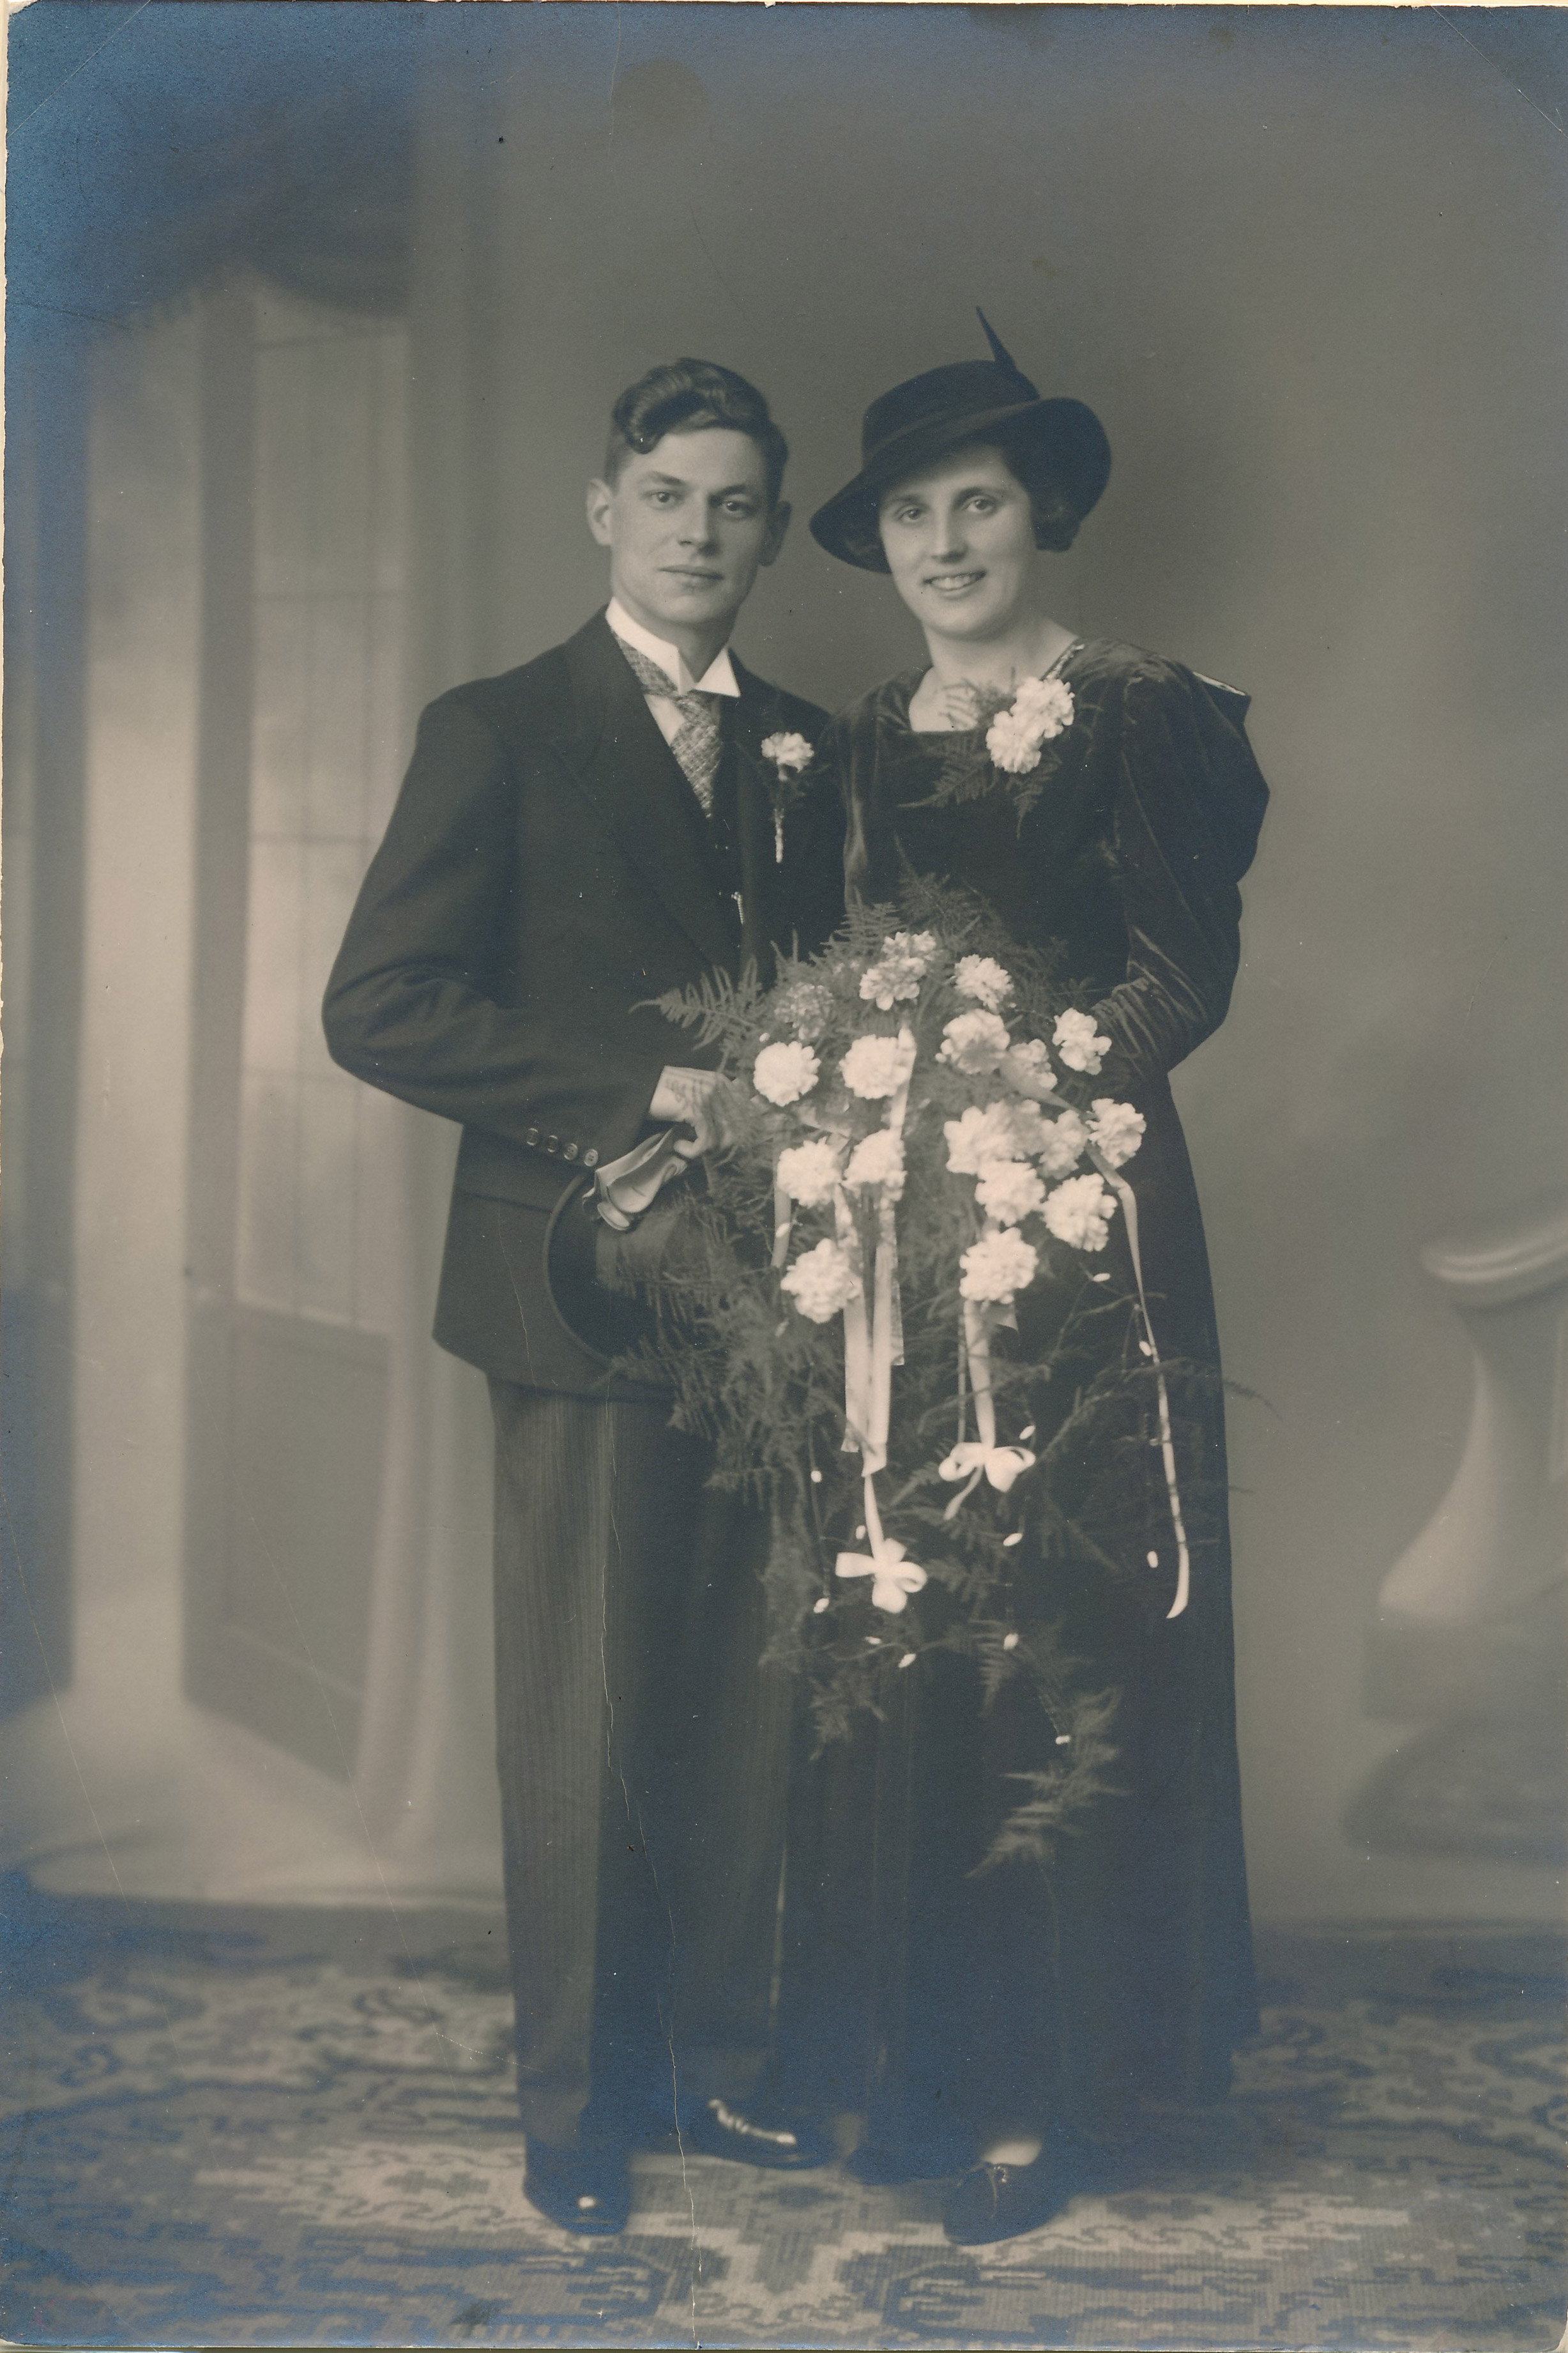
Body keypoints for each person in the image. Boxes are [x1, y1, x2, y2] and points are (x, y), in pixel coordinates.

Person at [323, 358, 841, 2235]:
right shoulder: (500, 729)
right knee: (584, 1713)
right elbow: (379, 1005)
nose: (699, 532)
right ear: (604, 509)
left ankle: (723, 2063)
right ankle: (579, 2112)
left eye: (735, 505)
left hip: (778, 1288)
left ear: (767, 536)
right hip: (578, 1278)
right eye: (668, 495)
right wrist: (645, 1091)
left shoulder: (806, 748)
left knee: (751, 1696)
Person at [773, 318, 1270, 2244]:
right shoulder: (865, 736)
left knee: (1067, 1599)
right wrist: (870, 1122)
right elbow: (852, 968)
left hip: (1087, 1210)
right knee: (916, 1604)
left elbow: (1180, 968)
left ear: (1038, 510)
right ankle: (925, 2068)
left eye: (976, 504)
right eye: (911, 516)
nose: (947, 544)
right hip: (911, 1223)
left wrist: (1038, 1109)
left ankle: (1058, 2095)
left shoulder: (1138, 708)